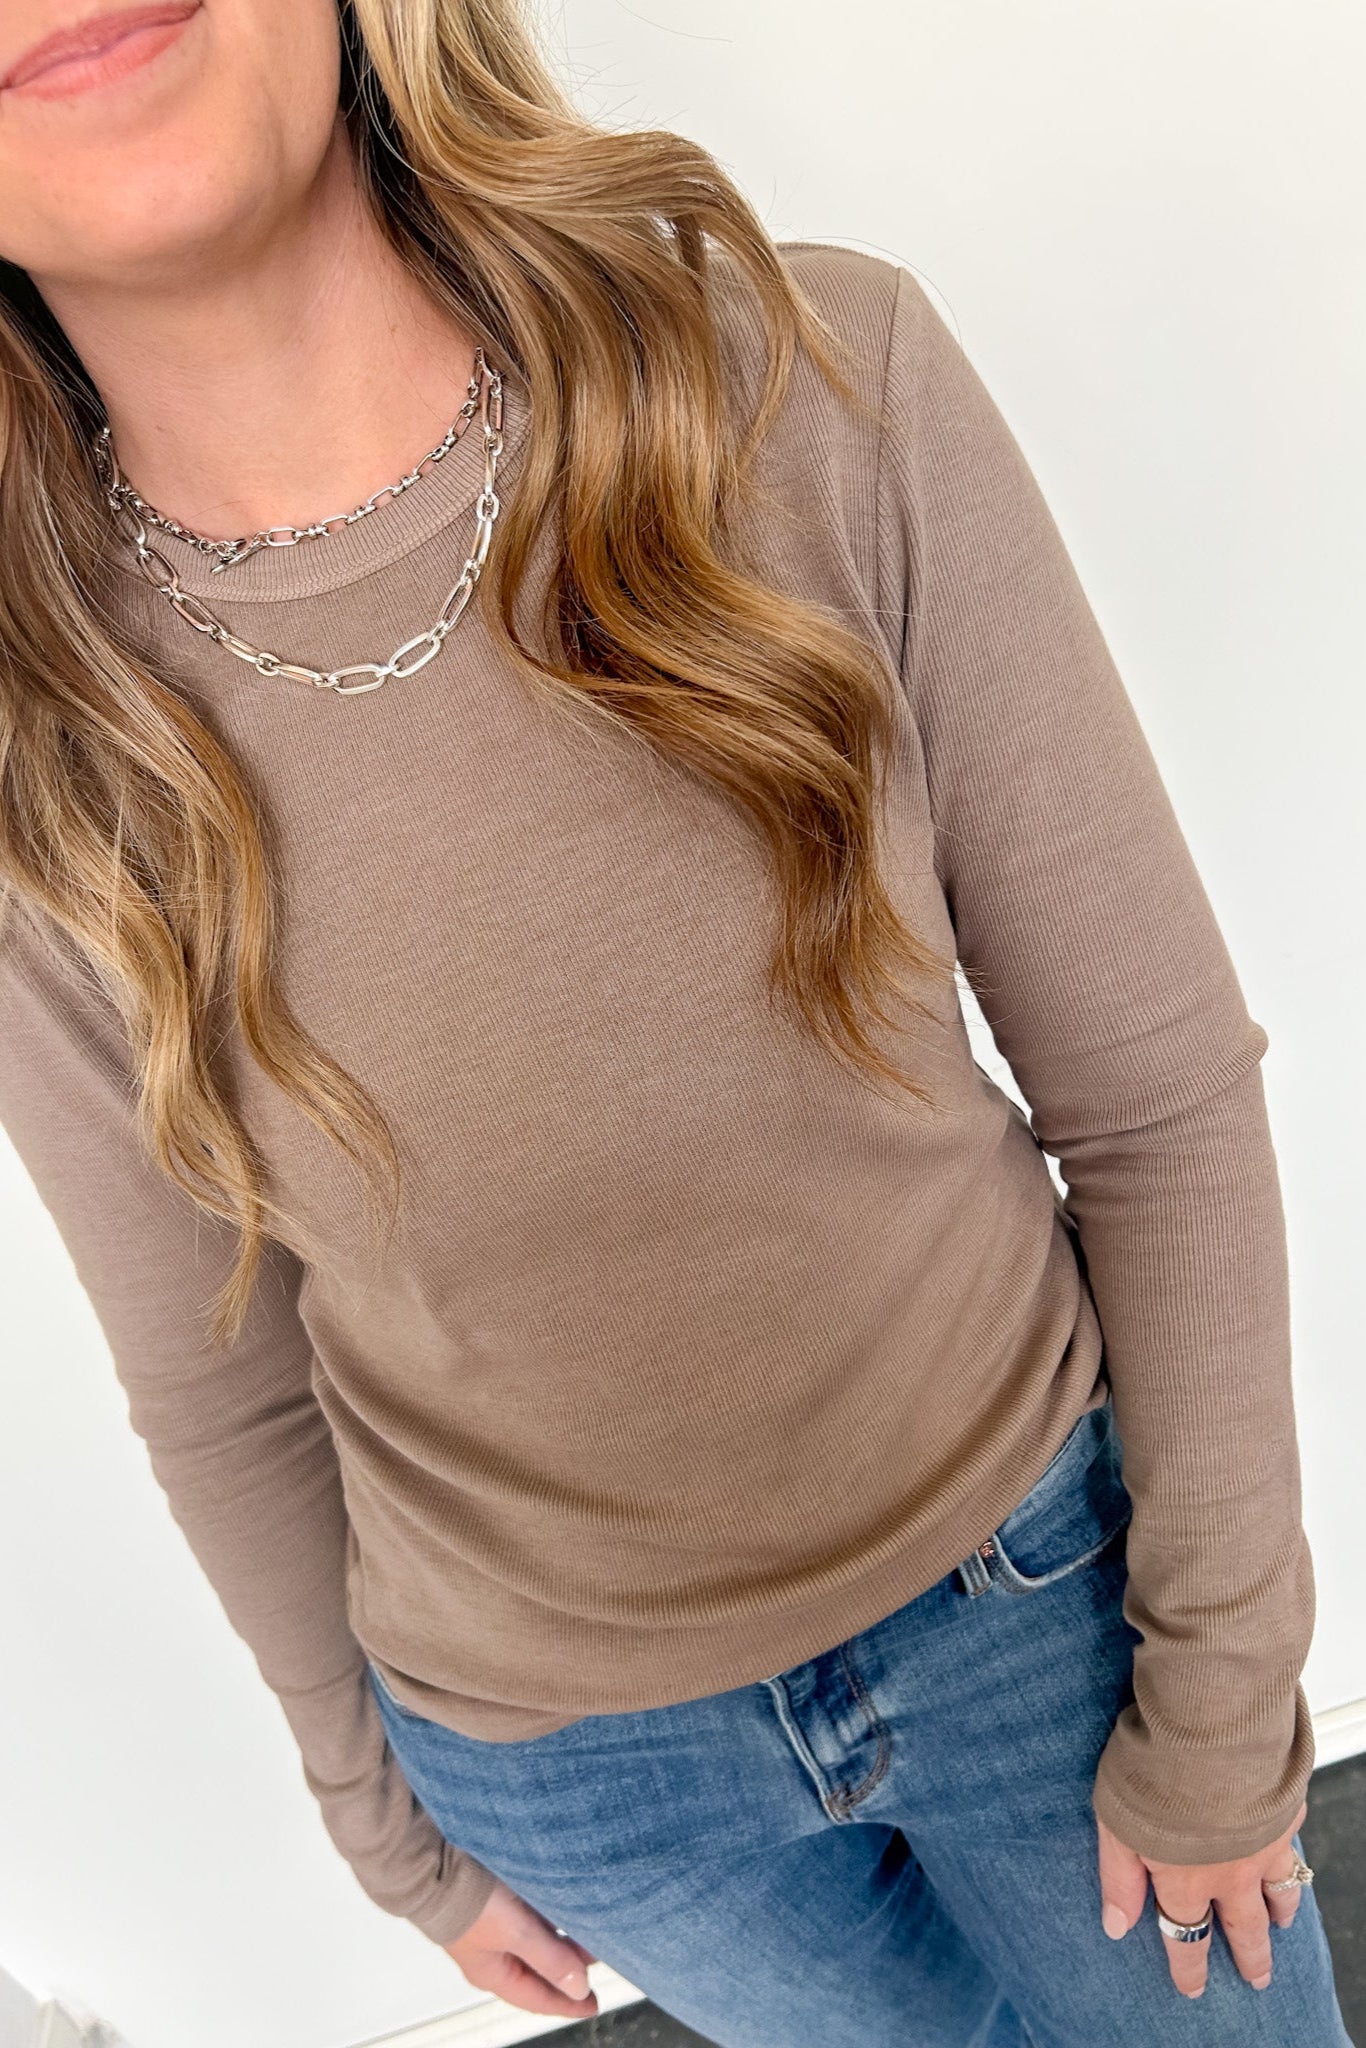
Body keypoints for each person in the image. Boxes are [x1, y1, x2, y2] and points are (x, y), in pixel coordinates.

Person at [0, 3, 1352, 2044]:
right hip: (578, 1773)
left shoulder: (814, 381)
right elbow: (221, 1380)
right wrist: (392, 1831)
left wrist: (1223, 1680)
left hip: (1044, 1611)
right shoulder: (35, 728)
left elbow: (1150, 1104)